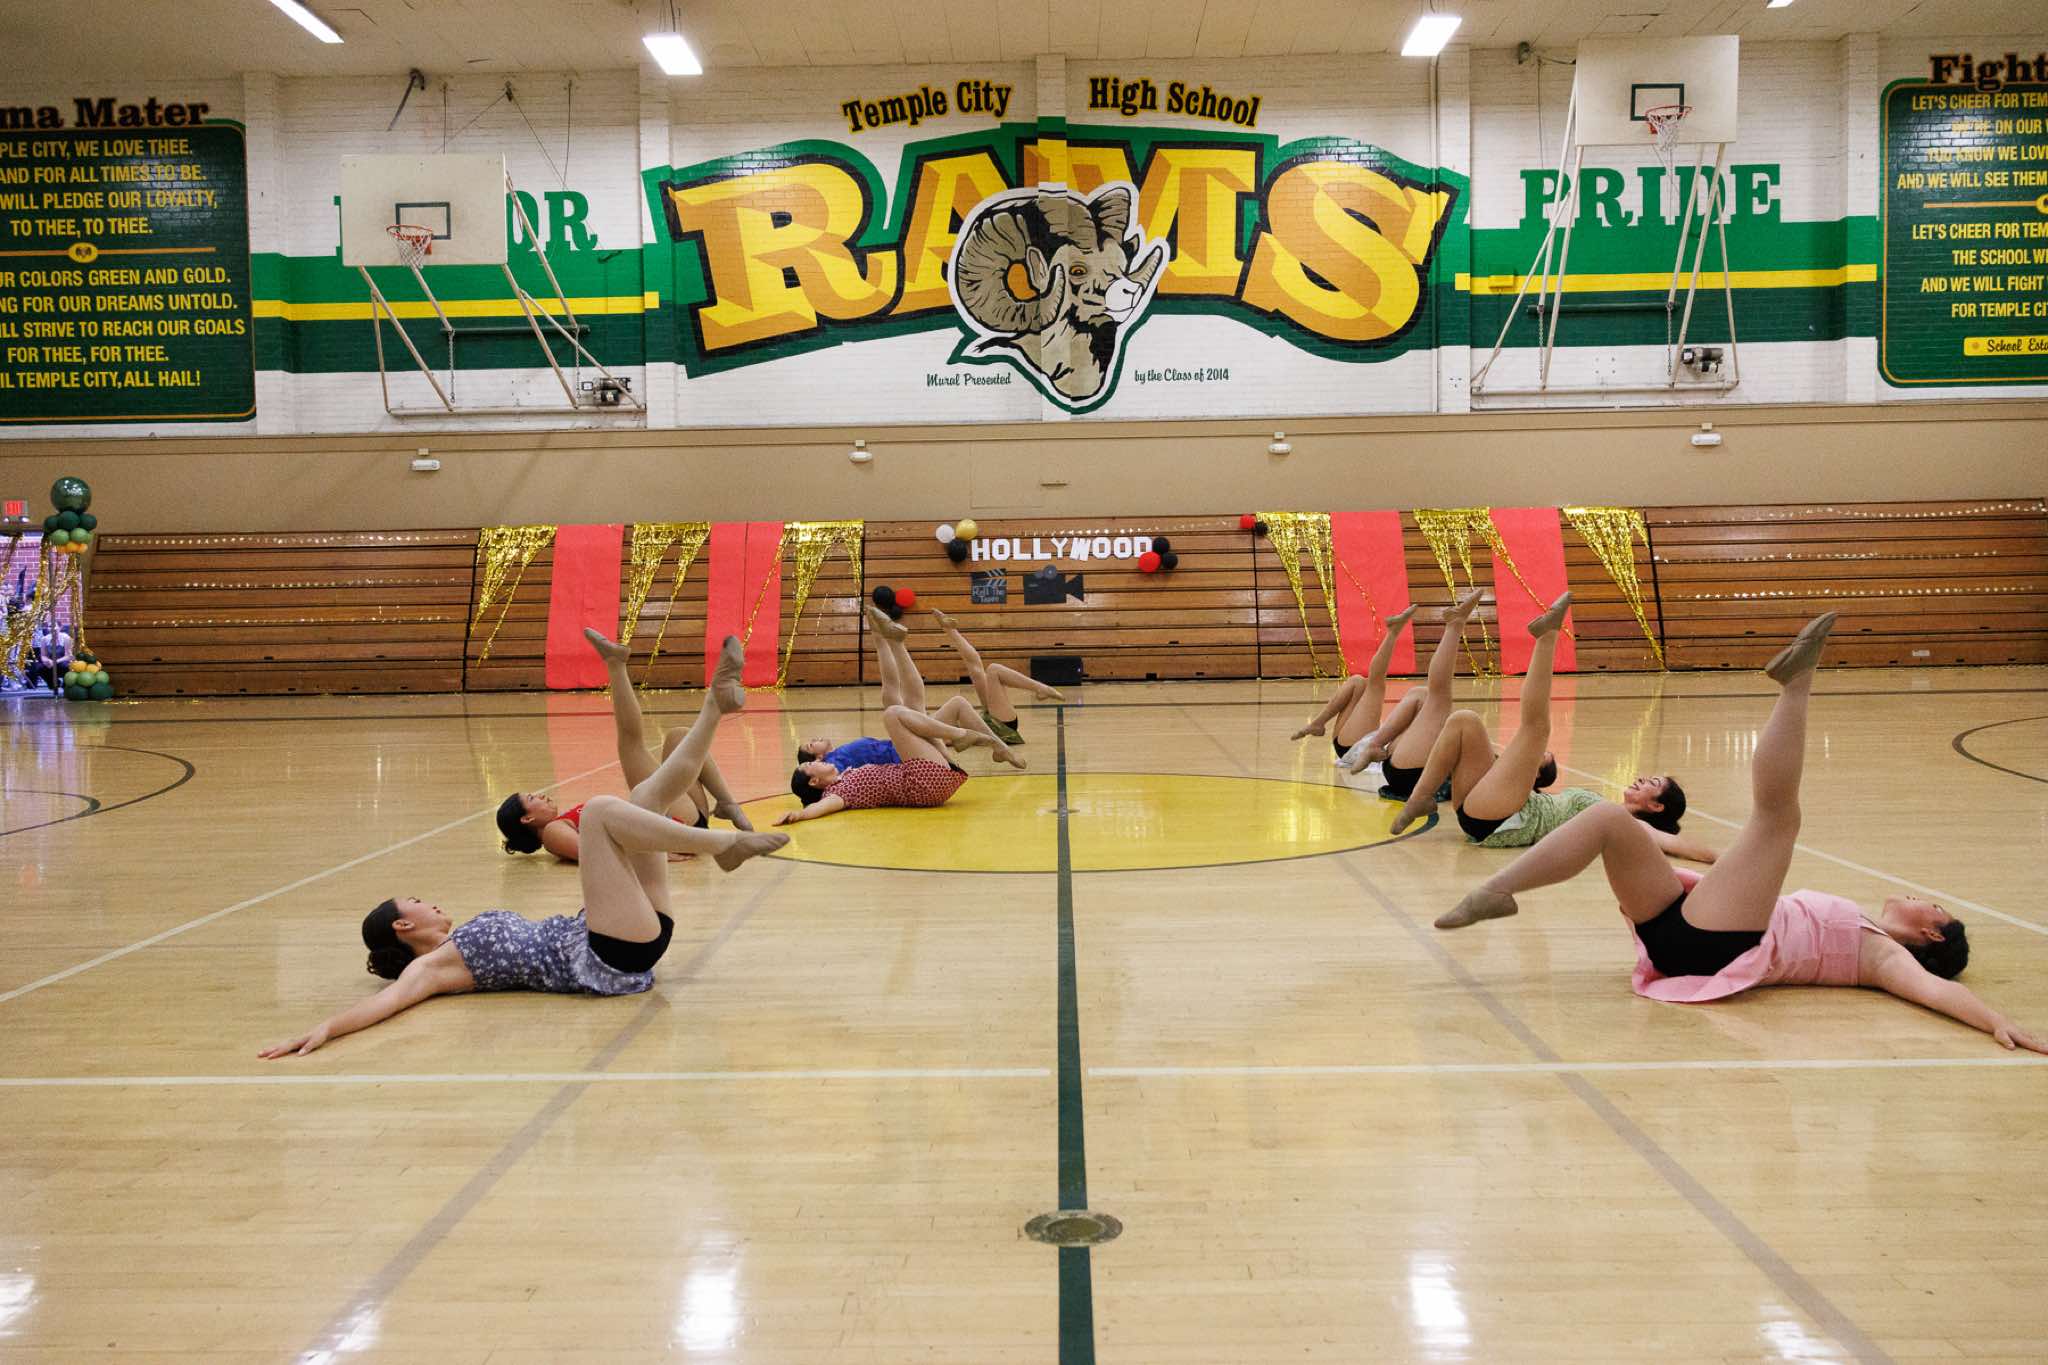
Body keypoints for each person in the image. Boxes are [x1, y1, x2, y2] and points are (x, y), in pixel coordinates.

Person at [1434, 613, 2047, 1054]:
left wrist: (1995, 1020)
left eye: (1934, 907)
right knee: (1607, 820)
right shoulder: (1863, 927)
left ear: (1932, 932)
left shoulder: (1882, 955)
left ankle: (1798, 683)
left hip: (1713, 945)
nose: (1923, 898)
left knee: (1779, 818)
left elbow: (1934, 992)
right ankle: (1498, 890)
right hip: (1685, 929)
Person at [260, 637, 789, 1059]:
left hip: (622, 934)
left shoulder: (458, 938)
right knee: (601, 810)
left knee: (645, 796)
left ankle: (715, 705)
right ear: (402, 925)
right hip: (606, 955)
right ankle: (723, 844)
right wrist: (325, 1029)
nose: (429, 902)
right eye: (415, 902)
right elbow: (388, 1003)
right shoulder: (434, 968)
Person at [1387, 592, 1710, 859]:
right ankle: (1419, 799)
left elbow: (1677, 845)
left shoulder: (1627, 824)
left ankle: (1547, 638)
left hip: (1508, 820)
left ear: (1656, 806)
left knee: (1537, 728)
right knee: (1464, 721)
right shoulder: (1609, 809)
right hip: (1489, 808)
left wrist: (1733, 866)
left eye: (1653, 782)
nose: (1641, 778)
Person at [497, 628, 755, 861]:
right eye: (532, 798)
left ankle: (727, 803)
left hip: (677, 820)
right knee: (632, 744)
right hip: (669, 827)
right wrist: (658, 854)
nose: (541, 795)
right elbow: (594, 855)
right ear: (527, 818)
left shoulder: (559, 826)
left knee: (677, 737)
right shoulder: (553, 832)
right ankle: (616, 665)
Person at [781, 606, 1020, 822]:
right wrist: (799, 814)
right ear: (815, 777)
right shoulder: (837, 780)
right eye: (811, 756)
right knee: (896, 705)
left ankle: (890, 641)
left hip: (917, 768)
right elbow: (824, 805)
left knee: (906, 701)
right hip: (911, 767)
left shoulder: (841, 773)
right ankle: (888, 642)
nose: (816, 754)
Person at [793, 608, 1060, 764]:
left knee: (907, 697)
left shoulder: (837, 758)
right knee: (899, 700)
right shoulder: (834, 764)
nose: (814, 739)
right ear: (815, 761)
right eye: (810, 745)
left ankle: (884, 639)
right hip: (909, 753)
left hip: (909, 745)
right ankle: (886, 640)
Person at [1294, 589, 1486, 800]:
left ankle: (1443, 627)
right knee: (1407, 691)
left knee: (1417, 694)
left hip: (1388, 760)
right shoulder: (1456, 742)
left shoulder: (1445, 739)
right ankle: (1338, 731)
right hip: (1392, 760)